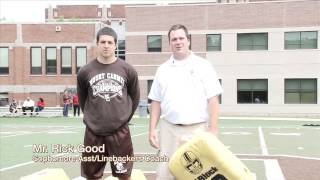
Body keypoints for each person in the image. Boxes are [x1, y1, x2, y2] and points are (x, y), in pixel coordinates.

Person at [148, 24, 223, 180]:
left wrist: (213, 129)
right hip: (169, 129)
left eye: (181, 38)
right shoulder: (162, 69)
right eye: (174, 39)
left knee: (197, 173)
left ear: (188, 40)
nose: (178, 42)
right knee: (164, 174)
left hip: (197, 130)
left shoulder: (204, 65)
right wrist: (152, 130)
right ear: (169, 43)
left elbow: (213, 99)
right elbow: (156, 101)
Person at [77, 27, 140, 180]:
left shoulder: (128, 70)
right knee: (91, 176)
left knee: (124, 175)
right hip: (93, 133)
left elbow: (135, 98)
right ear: (97, 44)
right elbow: (83, 99)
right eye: (102, 42)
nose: (106, 45)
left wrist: (122, 119)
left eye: (110, 42)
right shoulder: (85, 71)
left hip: (120, 133)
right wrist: (93, 119)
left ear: (115, 45)